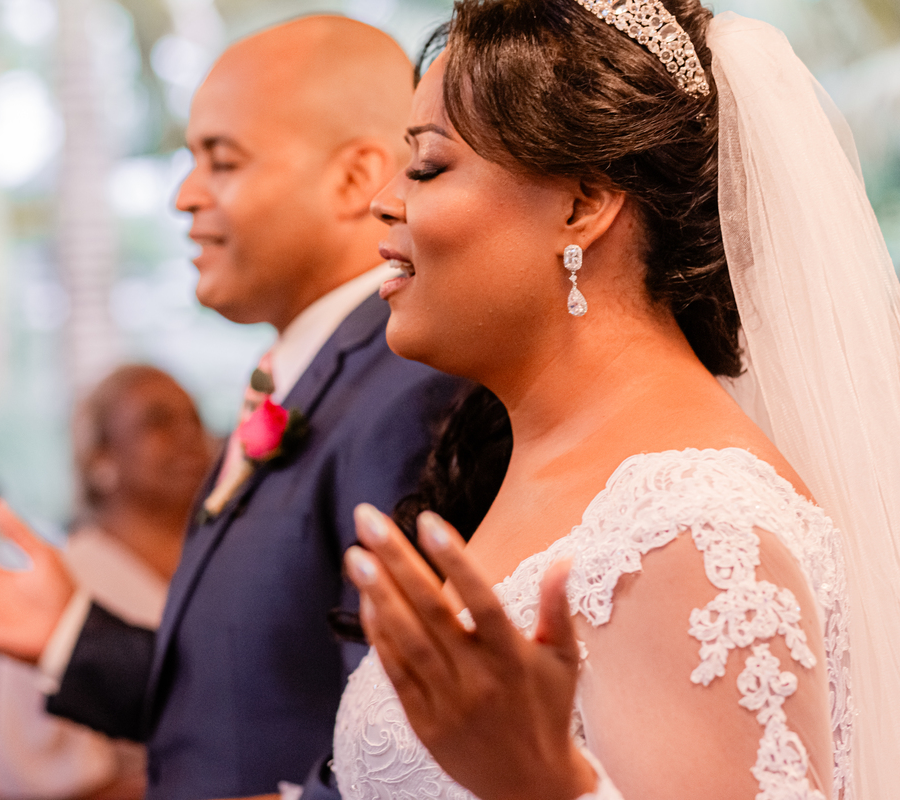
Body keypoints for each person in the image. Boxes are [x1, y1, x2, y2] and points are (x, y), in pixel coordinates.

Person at [0, 15, 474, 800]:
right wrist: (65, 634)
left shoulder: (410, 390)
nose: (183, 196)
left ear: (355, 178)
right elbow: (248, 700)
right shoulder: (316, 377)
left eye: (219, 162)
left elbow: (415, 744)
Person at [331, 1, 900, 799]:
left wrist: (541, 781)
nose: (385, 202)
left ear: (582, 205)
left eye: (427, 167)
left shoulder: (692, 531)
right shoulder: (535, 466)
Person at [0, 365, 211, 800]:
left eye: (194, 418)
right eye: (157, 421)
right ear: (102, 457)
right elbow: (25, 774)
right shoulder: (63, 576)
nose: (188, 435)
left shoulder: (224, 562)